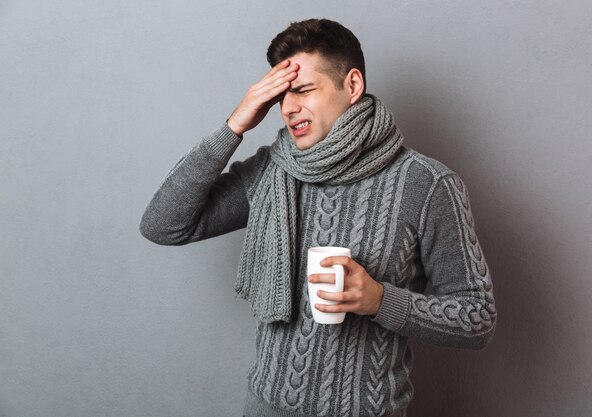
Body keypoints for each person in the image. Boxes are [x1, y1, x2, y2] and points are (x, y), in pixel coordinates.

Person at [140, 18, 496, 417]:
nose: (289, 108)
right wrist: (234, 126)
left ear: (352, 86)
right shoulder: (272, 171)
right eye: (280, 97)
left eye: (304, 90)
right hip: (265, 408)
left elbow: (476, 317)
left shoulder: (427, 184)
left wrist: (380, 300)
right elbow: (163, 224)